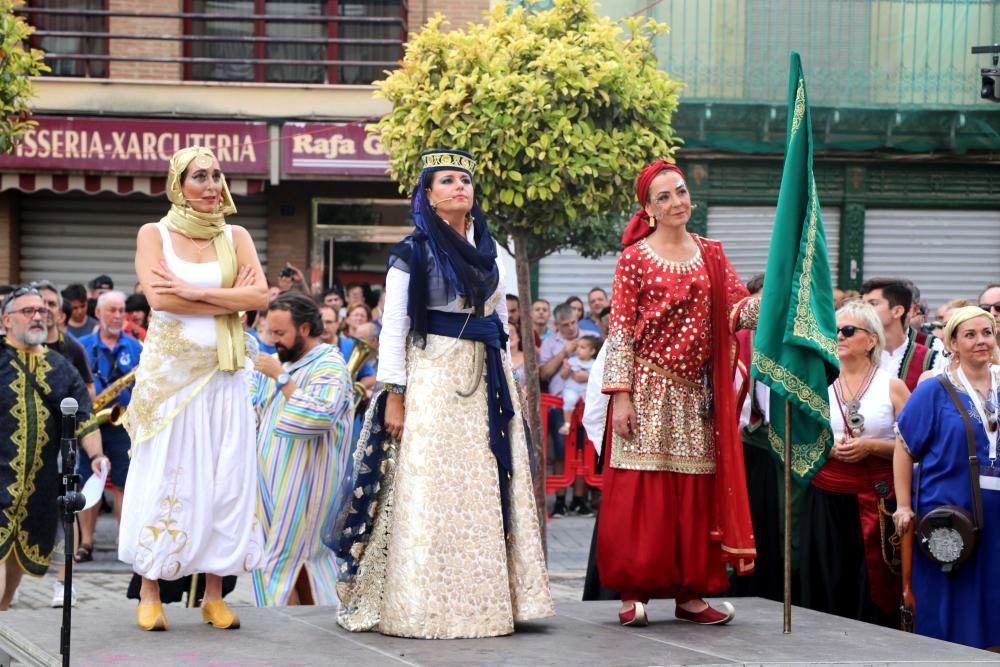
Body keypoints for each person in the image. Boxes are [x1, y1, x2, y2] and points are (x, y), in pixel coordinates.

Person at [332, 149, 553, 638]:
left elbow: (500, 318)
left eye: (465, 181)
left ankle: (487, 601)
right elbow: (394, 330)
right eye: (447, 181)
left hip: (486, 379)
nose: (459, 188)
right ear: (429, 197)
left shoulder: (490, 248)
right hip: (432, 375)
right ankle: (422, 604)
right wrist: (394, 394)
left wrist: (509, 377)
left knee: (481, 485)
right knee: (431, 486)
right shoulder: (411, 251)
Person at [599, 160, 757, 627]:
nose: (676, 203)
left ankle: (690, 594)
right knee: (641, 489)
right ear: (648, 208)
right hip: (645, 389)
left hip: (695, 395)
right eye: (664, 197)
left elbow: (738, 312)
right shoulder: (634, 257)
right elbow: (622, 331)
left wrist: (776, 297)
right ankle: (633, 590)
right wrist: (621, 396)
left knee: (694, 491)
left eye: (681, 192)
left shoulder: (711, 252)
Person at [120, 146, 267, 631]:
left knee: (224, 480)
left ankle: (214, 595)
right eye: (198, 176)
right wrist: (228, 300)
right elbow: (159, 298)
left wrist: (197, 292)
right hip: (171, 379)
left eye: (216, 174)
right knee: (168, 477)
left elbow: (259, 296)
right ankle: (150, 592)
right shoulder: (153, 234)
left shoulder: (237, 234)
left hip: (225, 374)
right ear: (177, 183)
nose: (210, 184)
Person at [894, 306, 1000, 649]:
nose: (981, 341)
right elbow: (904, 446)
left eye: (986, 332)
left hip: (997, 513)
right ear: (952, 343)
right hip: (951, 516)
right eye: (970, 335)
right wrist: (904, 506)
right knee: (950, 599)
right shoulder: (935, 389)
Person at [799, 301, 909, 626]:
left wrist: (872, 446)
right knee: (827, 575)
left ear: (871, 340)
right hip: (826, 496)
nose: (839, 337)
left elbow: (914, 445)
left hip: (877, 498)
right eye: (834, 331)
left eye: (848, 330)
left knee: (873, 582)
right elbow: (802, 439)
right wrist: (826, 448)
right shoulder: (819, 383)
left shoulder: (892, 385)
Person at [0, 287, 107, 610]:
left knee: (13, 577)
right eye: (28, 311)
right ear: (6, 320)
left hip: (39, 489)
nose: (38, 317)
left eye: (42, 311)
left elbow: (84, 418)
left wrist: (97, 456)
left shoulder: (60, 367)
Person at [250, 293, 352, 606]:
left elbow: (318, 415)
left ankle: (292, 631)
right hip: (271, 486)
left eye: (280, 334)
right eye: (270, 333)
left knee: (291, 560)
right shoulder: (278, 363)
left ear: (305, 329)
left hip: (307, 487)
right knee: (280, 560)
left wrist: (281, 378)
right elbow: (254, 409)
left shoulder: (329, 364)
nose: (273, 341)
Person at [77, 290, 143, 563]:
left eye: (121, 311)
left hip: (121, 422)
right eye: (112, 310)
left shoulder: (135, 348)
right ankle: (86, 542)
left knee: (124, 485)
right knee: (88, 481)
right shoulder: (81, 345)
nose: (117, 316)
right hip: (90, 422)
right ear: (98, 313)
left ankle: (124, 540)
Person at [862, 277, 944, 390]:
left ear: (897, 311)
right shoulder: (856, 354)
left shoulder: (933, 359)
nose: (864, 310)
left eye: (873, 304)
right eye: (863, 304)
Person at [558, 335, 600, 436]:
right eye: (577, 347)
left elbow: (598, 379)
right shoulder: (572, 361)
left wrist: (588, 376)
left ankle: (592, 425)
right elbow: (562, 376)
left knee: (593, 403)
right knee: (569, 400)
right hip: (572, 389)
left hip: (586, 391)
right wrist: (567, 369)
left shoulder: (595, 364)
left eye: (582, 347)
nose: (578, 350)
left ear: (592, 351)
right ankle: (567, 424)